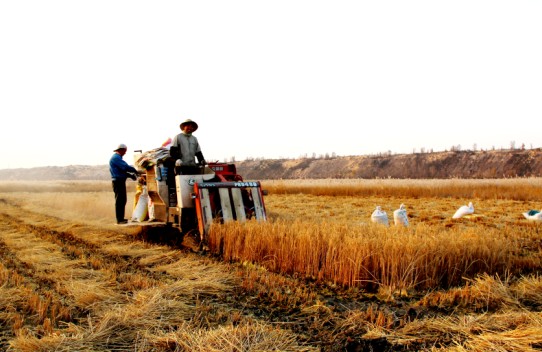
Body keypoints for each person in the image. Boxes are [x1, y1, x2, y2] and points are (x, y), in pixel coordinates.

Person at [169, 119, 207, 234]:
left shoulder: (194, 139)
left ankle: (195, 201)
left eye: (191, 127)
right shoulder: (178, 137)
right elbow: (173, 151)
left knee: (194, 185)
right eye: (188, 126)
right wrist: (177, 159)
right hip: (181, 166)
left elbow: (198, 152)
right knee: (183, 187)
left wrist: (202, 160)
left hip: (192, 166)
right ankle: (181, 203)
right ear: (183, 127)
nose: (189, 128)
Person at [109, 143, 138, 224]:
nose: (125, 153)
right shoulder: (116, 158)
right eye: (125, 151)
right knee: (120, 200)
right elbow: (125, 167)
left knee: (122, 200)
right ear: (121, 150)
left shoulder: (117, 157)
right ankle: (119, 219)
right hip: (118, 182)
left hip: (120, 181)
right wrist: (135, 170)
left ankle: (121, 218)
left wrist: (130, 175)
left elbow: (122, 171)